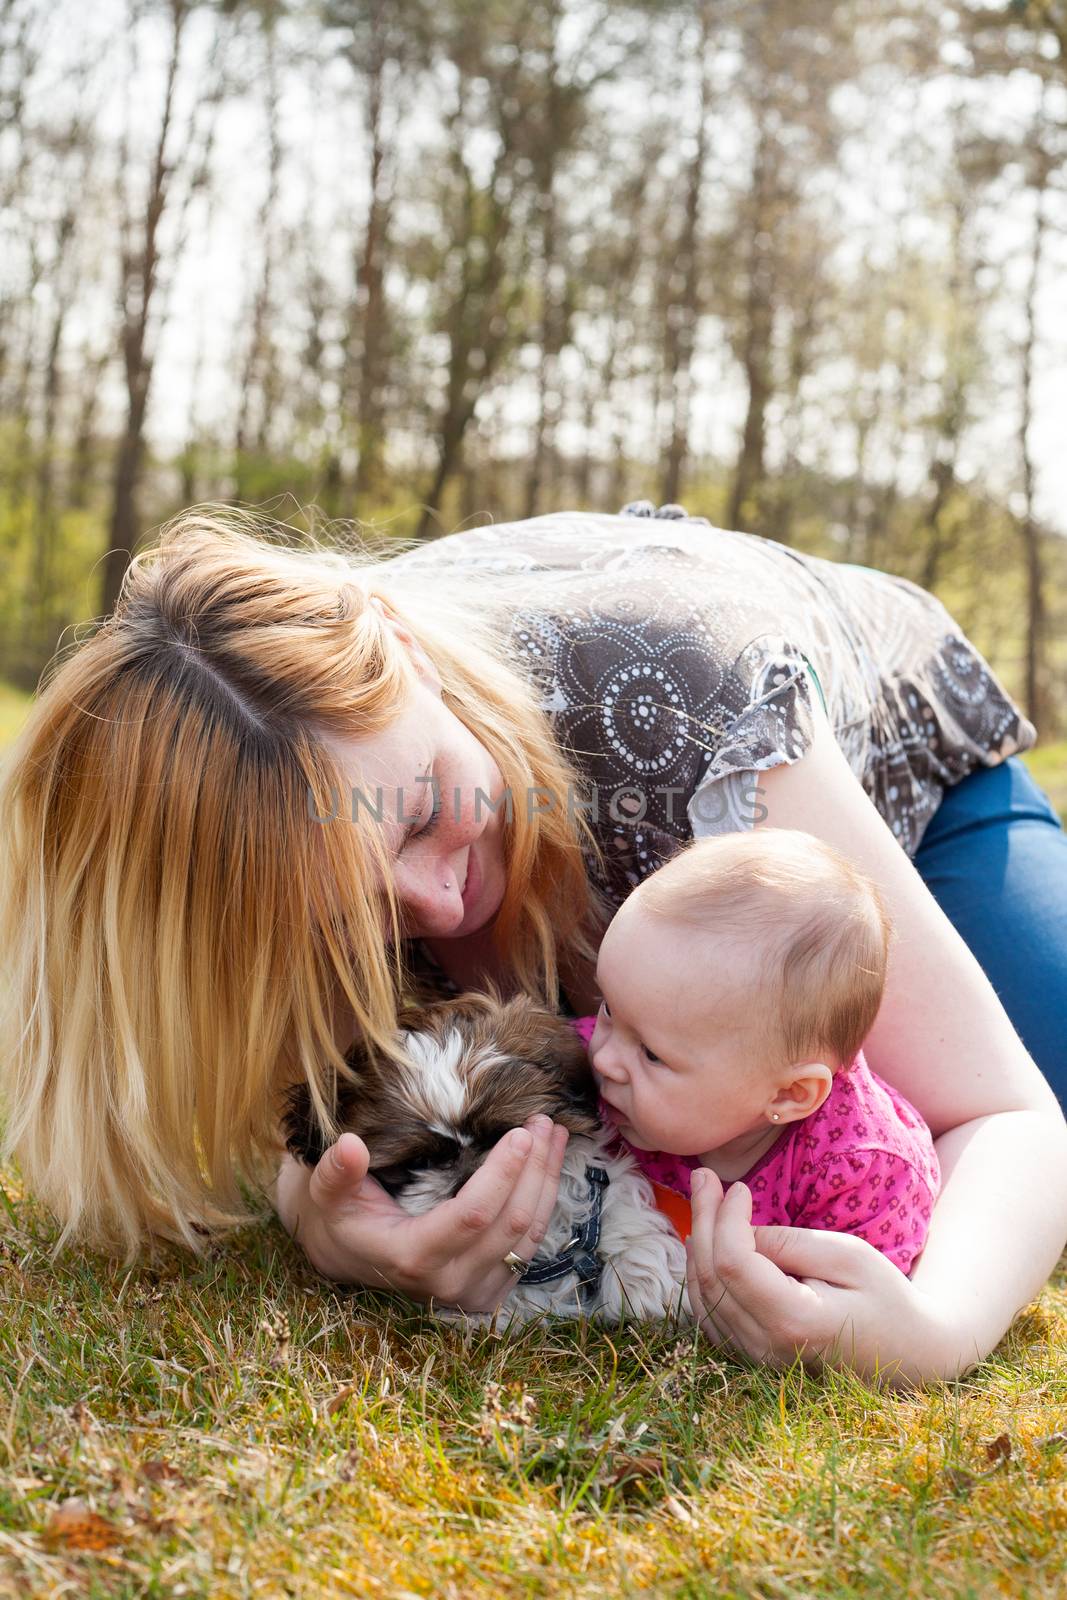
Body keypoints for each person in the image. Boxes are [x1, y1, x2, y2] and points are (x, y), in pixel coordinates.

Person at [1, 503, 1065, 1390]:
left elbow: (1003, 1114)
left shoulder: (685, 725)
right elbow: (315, 1118)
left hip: (907, 784)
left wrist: (935, 1328)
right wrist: (322, 1221)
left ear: (406, 654)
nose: (434, 898)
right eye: (345, 911)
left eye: (418, 811)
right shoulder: (283, 833)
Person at [570, 829, 940, 1279]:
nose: (604, 1058)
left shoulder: (860, 1176)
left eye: (650, 1054)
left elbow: (854, 1309)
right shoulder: (617, 1060)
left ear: (788, 1095)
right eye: (610, 1008)